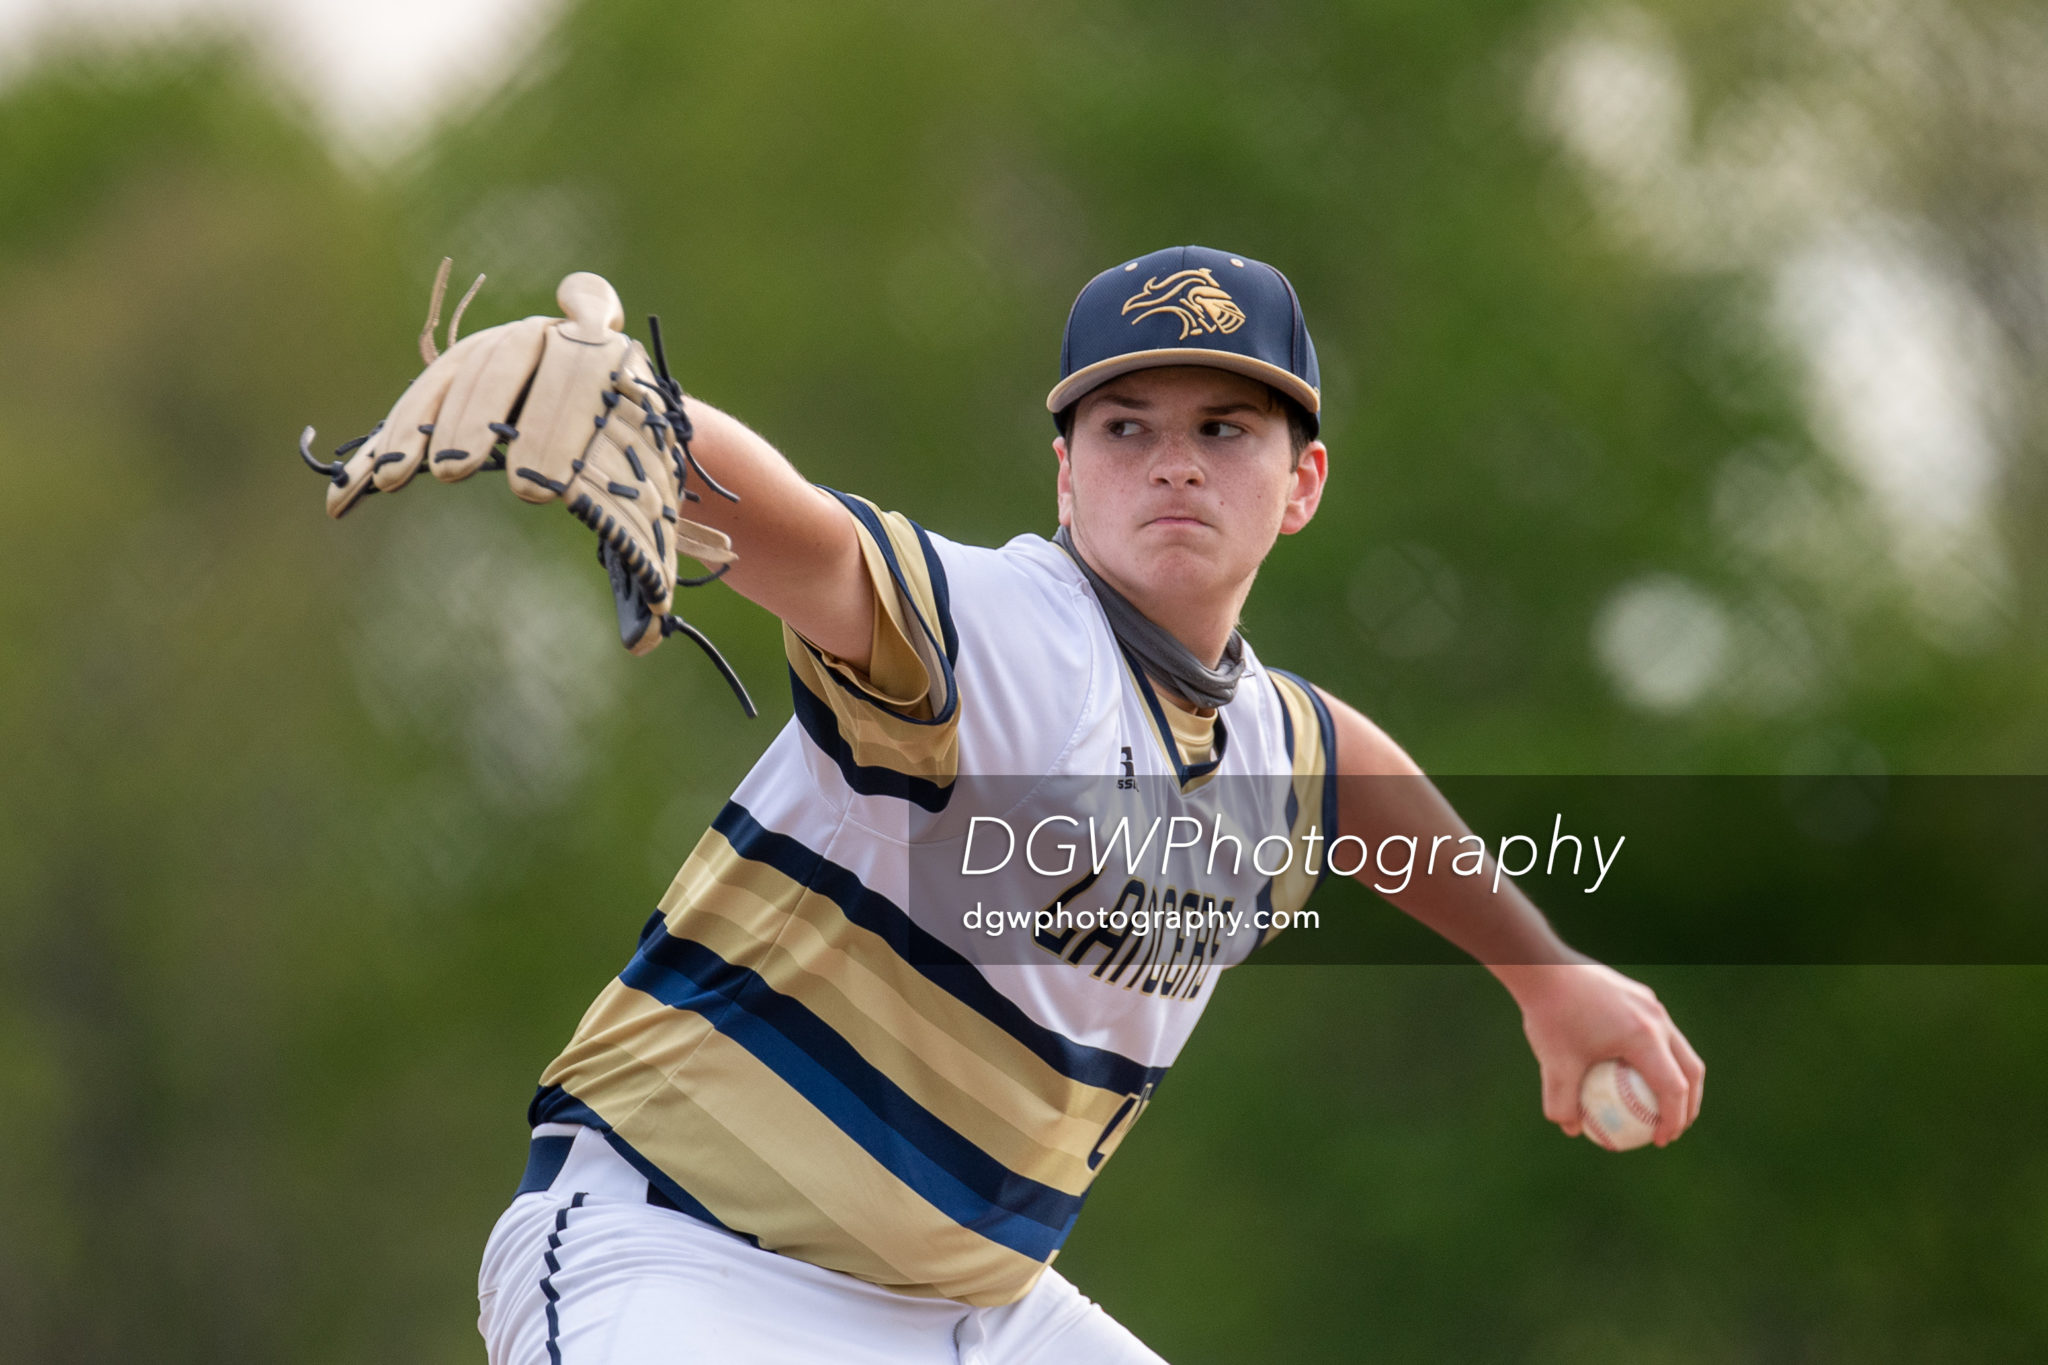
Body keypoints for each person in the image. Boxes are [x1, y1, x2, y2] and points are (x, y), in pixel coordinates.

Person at [472, 245, 1705, 1363]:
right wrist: (639, 426)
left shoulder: (1261, 741)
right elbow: (816, 546)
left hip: (971, 1313)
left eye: (1225, 427)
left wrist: (1541, 974)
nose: (1172, 458)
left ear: (1302, 483)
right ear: (1063, 477)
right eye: (1124, 426)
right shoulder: (1011, 633)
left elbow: (1353, 784)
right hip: (693, 1262)